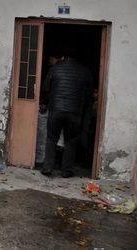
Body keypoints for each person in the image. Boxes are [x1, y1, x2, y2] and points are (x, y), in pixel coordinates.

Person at [41, 47, 93, 178]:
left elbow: (45, 87)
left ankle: (47, 167)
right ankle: (66, 170)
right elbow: (89, 93)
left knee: (52, 138)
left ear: (63, 56)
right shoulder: (85, 71)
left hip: (56, 110)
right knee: (71, 141)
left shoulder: (55, 69)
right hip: (75, 112)